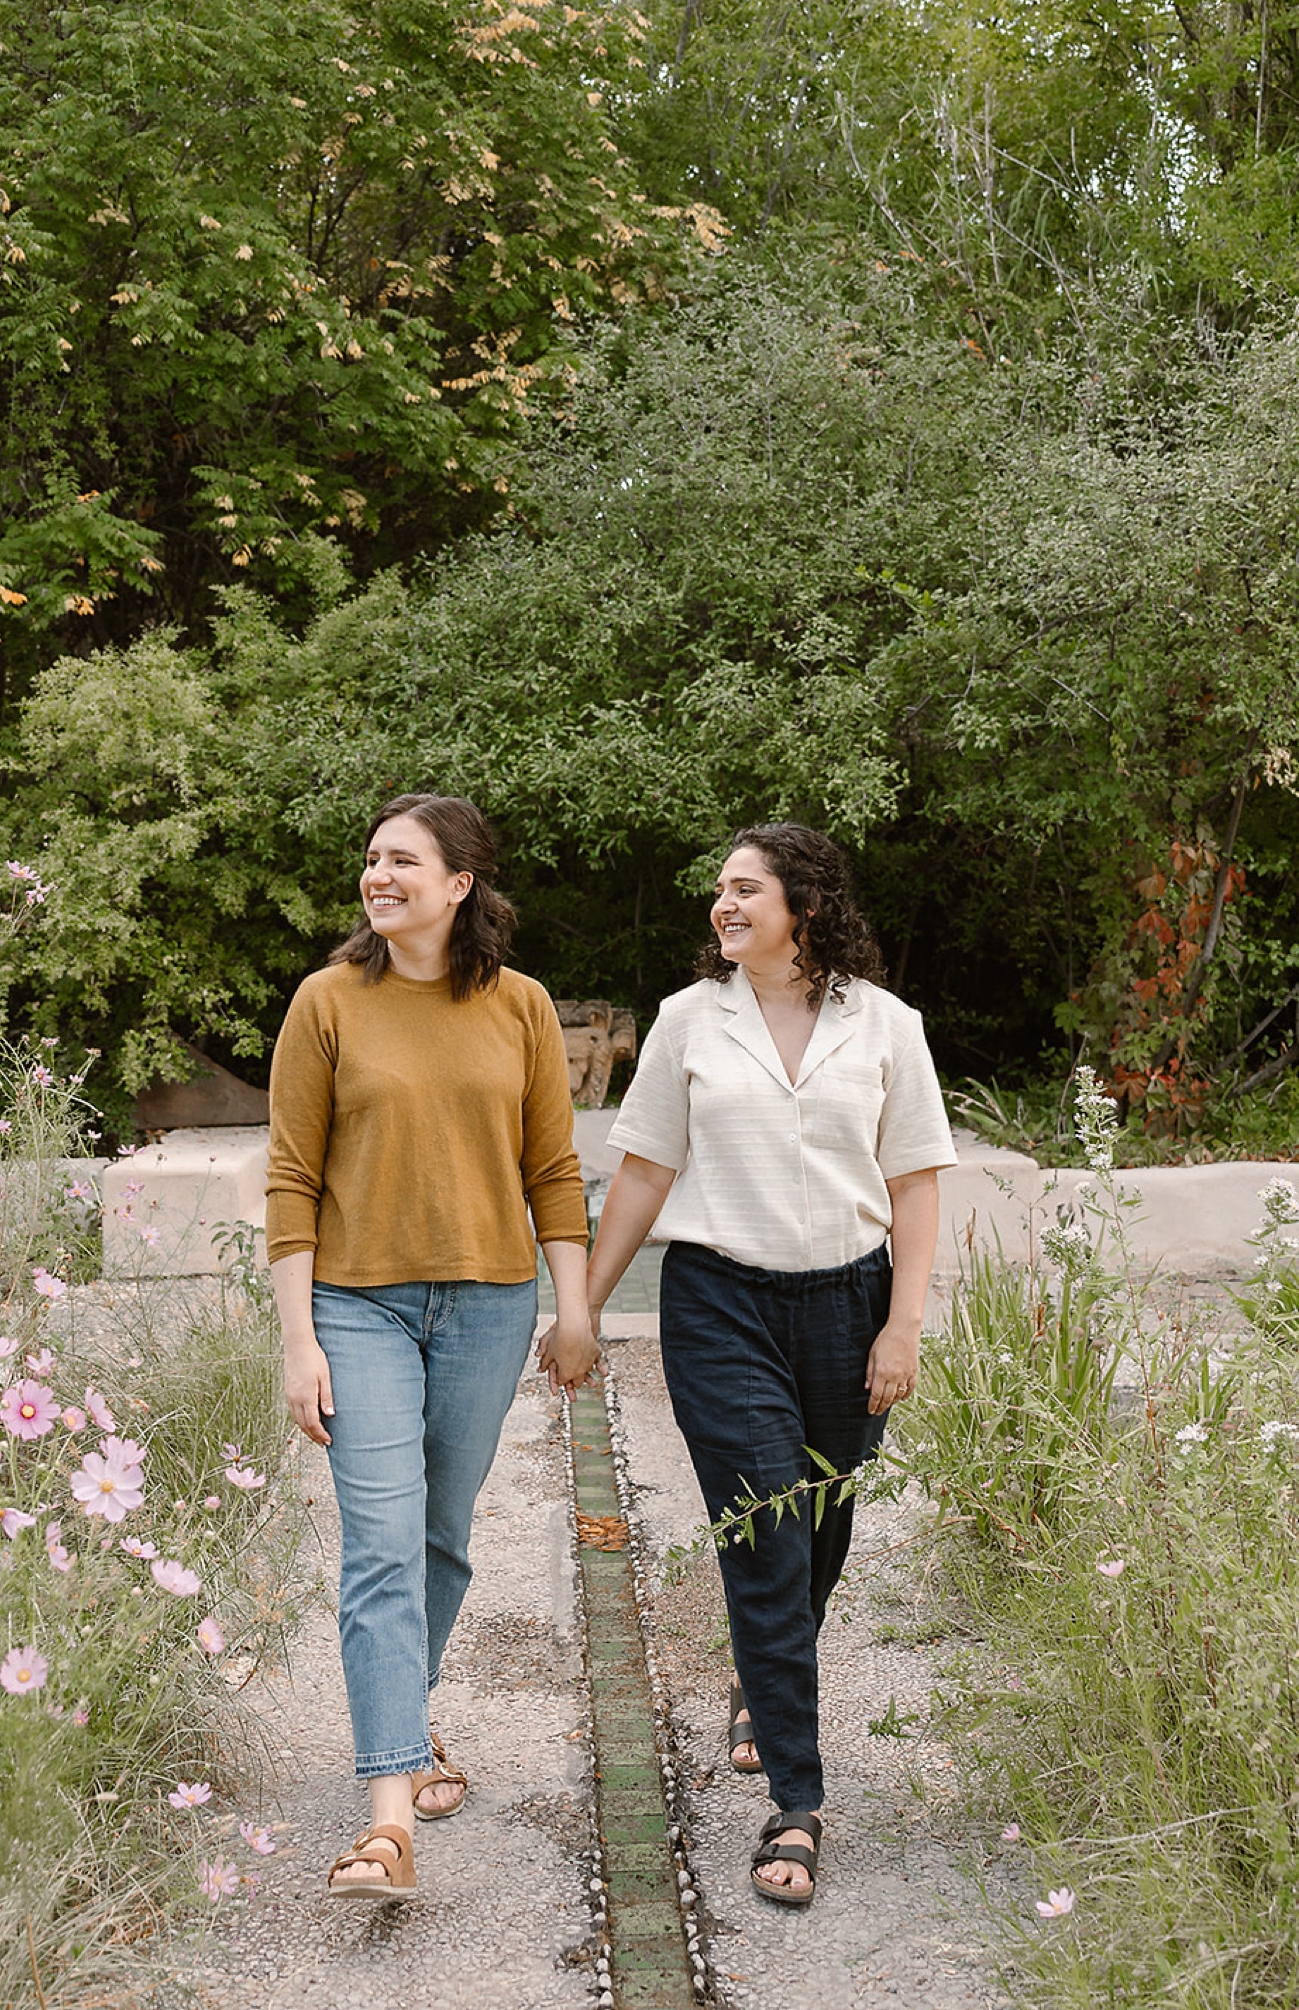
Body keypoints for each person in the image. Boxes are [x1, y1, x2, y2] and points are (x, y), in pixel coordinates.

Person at [540, 821, 954, 1908]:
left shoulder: (885, 1023)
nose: (723, 906)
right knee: (768, 1522)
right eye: (718, 891)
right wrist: (576, 1303)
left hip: (851, 1299)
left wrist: (902, 1324)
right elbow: (641, 1173)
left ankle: (758, 1683)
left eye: (744, 889)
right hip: (720, 1297)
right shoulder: (689, 1020)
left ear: (803, 905)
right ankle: (799, 1798)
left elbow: (915, 1181)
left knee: (820, 1522)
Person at [266, 793, 599, 1903]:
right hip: (358, 1304)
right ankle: (387, 1817)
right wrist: (296, 1338)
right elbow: (290, 1181)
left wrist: (577, 1304)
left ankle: (407, 1719)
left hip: (490, 1304)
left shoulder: (522, 1006)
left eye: (402, 860)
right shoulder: (326, 1002)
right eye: (370, 859)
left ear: (460, 883)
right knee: (378, 1542)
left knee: (442, 1538)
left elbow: (553, 1167)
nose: (378, 875)